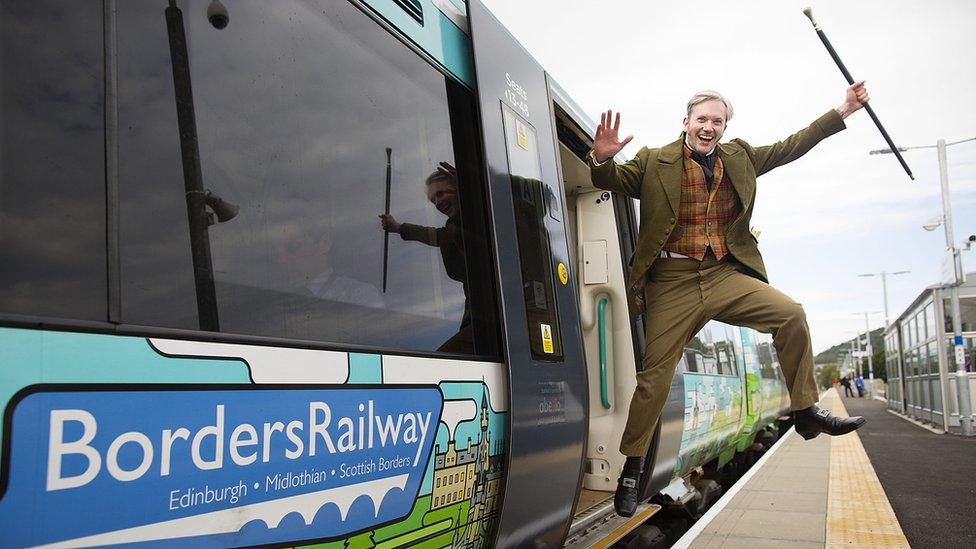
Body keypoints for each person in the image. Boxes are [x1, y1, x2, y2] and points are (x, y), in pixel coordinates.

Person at [590, 84, 869, 516]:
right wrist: (603, 158)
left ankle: (806, 411)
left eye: (717, 120)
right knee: (655, 378)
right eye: (701, 119)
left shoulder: (739, 156)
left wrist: (843, 109)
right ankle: (631, 469)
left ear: (724, 126)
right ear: (686, 122)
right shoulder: (653, 160)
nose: (709, 127)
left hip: (722, 272)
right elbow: (613, 180)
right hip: (672, 280)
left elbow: (791, 146)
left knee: (791, 314)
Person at [379, 162, 473, 353]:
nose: (438, 203)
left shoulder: (485, 212)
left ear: (459, 188)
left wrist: (473, 185)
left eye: (440, 194)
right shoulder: (453, 229)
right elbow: (437, 236)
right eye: (433, 200)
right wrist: (398, 228)